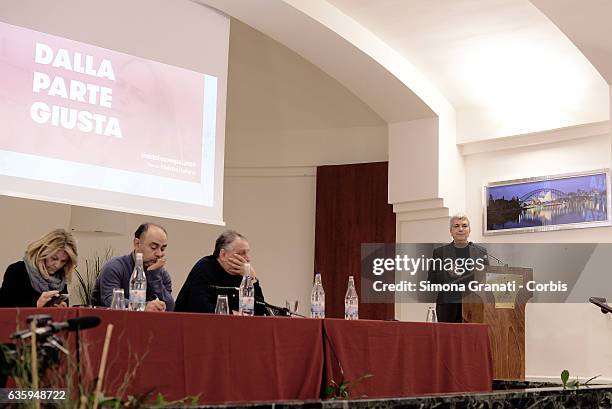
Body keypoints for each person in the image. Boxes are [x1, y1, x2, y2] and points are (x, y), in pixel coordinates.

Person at [175, 230, 266, 315]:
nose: (248, 259)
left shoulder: (242, 274)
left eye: (247, 253)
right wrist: (233, 315)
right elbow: (200, 307)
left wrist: (252, 280)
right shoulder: (205, 267)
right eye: (241, 253)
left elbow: (260, 312)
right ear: (223, 255)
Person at [91, 223, 174, 311]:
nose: (159, 254)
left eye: (163, 249)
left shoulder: (161, 274)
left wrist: (154, 276)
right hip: (112, 322)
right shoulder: (115, 267)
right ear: (137, 244)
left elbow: (169, 308)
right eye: (153, 247)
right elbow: (110, 300)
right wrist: (144, 307)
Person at [427, 214, 489, 323]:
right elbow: (432, 281)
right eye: (456, 226)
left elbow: (487, 279)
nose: (460, 229)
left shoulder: (480, 252)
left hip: (475, 305)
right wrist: (447, 274)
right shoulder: (440, 253)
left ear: (469, 230)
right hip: (447, 308)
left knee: (471, 338)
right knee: (447, 339)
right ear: (451, 231)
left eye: (464, 226)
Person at [0, 229, 77, 308]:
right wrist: (36, 305)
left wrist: (62, 309)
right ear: (42, 252)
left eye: (63, 261)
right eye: (54, 258)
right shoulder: (17, 271)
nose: (57, 265)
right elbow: (4, 308)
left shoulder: (60, 278)